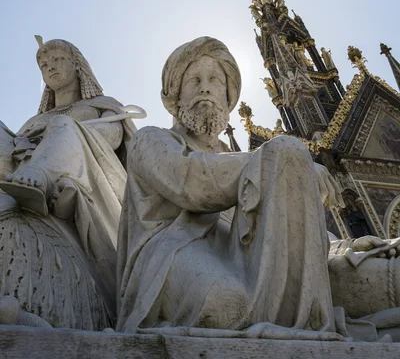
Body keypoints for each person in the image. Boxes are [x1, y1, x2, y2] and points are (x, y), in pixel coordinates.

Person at [117, 36, 344, 338]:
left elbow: (286, 223)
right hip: (172, 253)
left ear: (227, 96)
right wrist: (282, 163)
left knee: (382, 275)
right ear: (176, 96)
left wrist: (343, 246)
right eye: (193, 80)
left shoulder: (239, 160)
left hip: (238, 253)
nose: (205, 87)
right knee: (228, 305)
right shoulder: (150, 140)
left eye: (214, 80)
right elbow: (192, 182)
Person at [0, 37, 136, 330]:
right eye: (44, 65)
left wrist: (64, 133)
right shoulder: (34, 120)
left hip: (77, 168)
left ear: (78, 65)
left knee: (63, 126)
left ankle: (43, 180)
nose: (50, 68)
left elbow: (111, 140)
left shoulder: (102, 106)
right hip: (20, 164)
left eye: (57, 59)